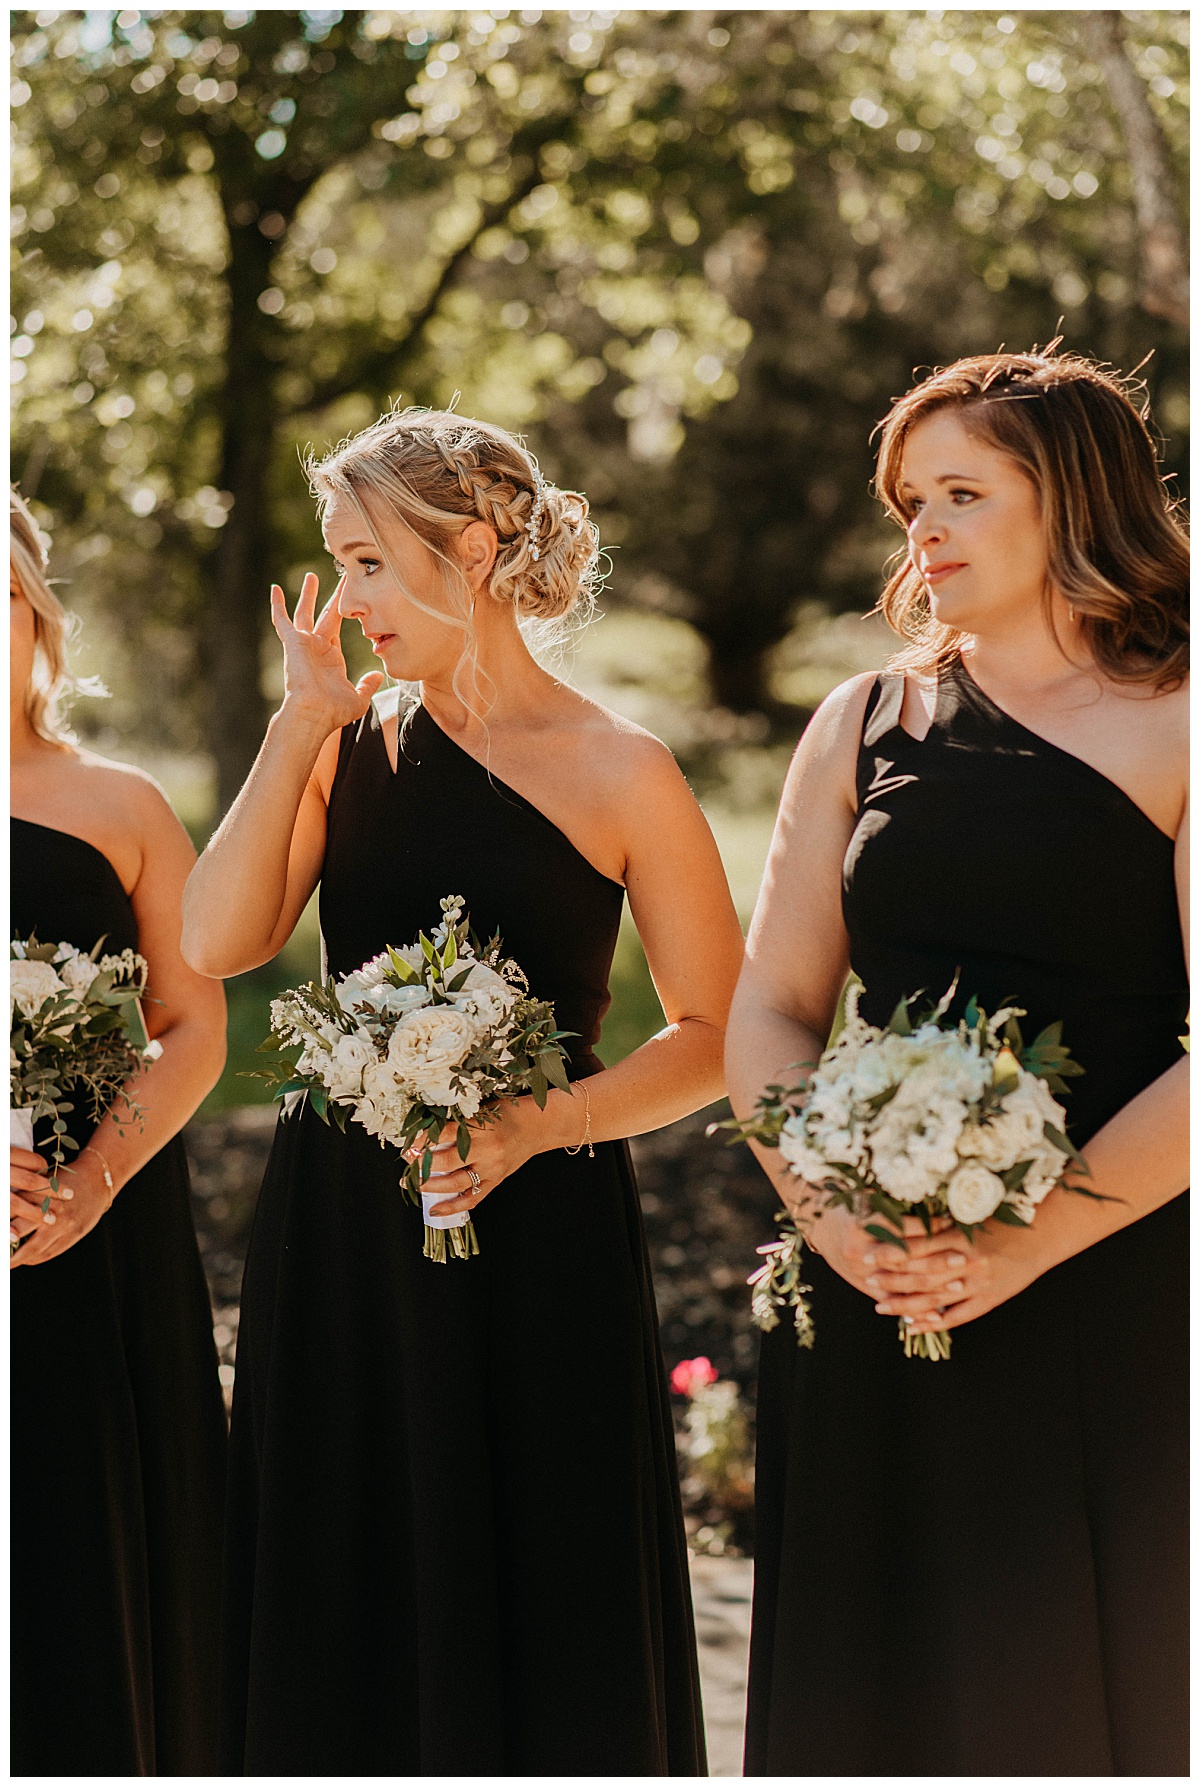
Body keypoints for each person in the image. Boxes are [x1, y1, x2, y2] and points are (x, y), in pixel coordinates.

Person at [181, 408, 745, 1775]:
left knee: (538, 1570)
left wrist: (536, 1125)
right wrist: (297, 725)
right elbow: (215, 943)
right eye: (336, 562)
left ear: (475, 552)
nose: (343, 601)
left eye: (368, 563)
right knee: (343, 1563)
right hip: (344, 1231)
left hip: (539, 1231)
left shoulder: (626, 769)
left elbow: (717, 1030)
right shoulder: (348, 739)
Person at [727, 350, 1188, 1776]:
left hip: (1114, 1285)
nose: (921, 526)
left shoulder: (1183, 717)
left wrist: (1029, 1242)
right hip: (872, 1276)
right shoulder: (858, 724)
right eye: (908, 497)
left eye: (963, 492)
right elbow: (770, 1014)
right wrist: (843, 1224)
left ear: (1076, 500)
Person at [10, 487, 229, 1775]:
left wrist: (90, 1180)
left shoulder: (126, 804)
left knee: (86, 1545)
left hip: (91, 1232)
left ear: (32, 617)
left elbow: (195, 1025)